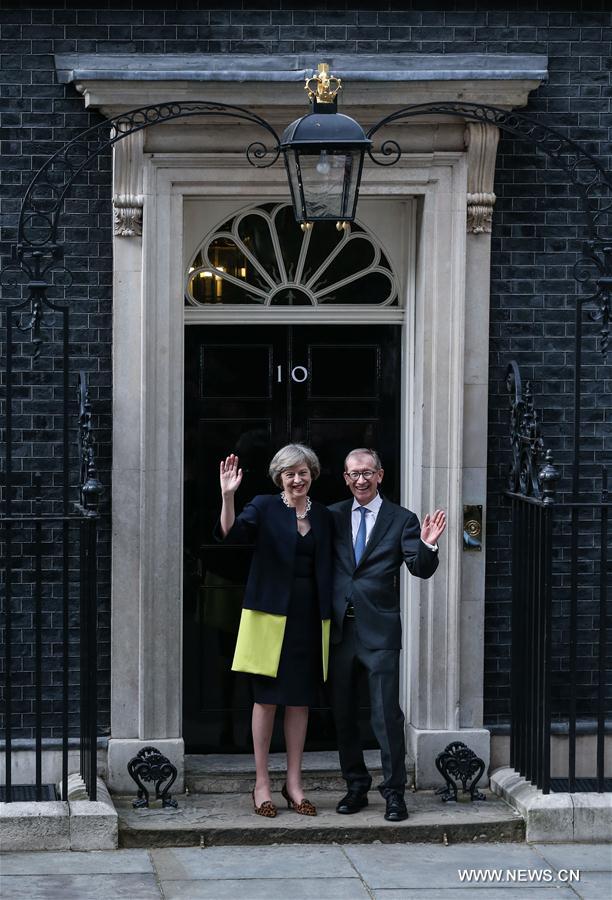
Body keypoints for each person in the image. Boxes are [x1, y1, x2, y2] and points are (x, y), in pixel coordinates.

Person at [328, 448, 447, 822]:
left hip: (379, 631)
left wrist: (427, 544)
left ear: (380, 475)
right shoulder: (331, 516)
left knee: (385, 716)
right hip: (337, 631)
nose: (359, 480)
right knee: (343, 714)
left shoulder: (402, 519)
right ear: (345, 478)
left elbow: (421, 569)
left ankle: (394, 792)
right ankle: (356, 786)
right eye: (352, 474)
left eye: (366, 473)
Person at [218, 444, 332, 818]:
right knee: (266, 700)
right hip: (268, 617)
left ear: (312, 473)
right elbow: (231, 536)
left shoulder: (327, 517)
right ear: (278, 477)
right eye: (289, 474)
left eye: (302, 472)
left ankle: (295, 783)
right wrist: (228, 497)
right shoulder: (264, 506)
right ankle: (262, 783)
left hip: (309, 619)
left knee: (299, 700)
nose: (297, 479)